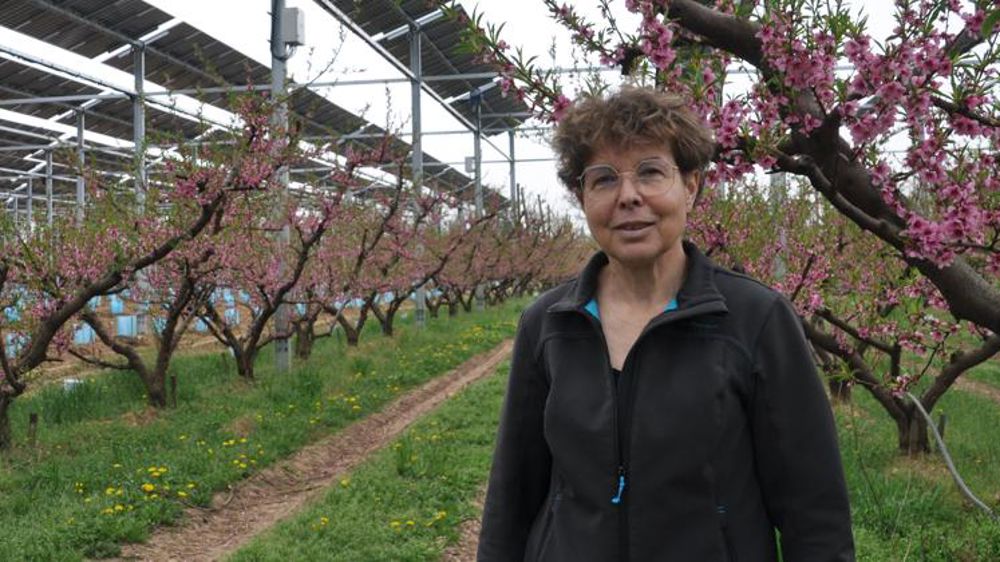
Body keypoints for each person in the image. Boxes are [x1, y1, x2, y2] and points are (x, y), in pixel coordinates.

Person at [476, 86, 855, 562]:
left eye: (651, 172)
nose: (629, 197)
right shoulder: (549, 324)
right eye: (604, 179)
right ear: (582, 196)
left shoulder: (754, 320)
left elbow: (814, 512)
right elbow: (512, 494)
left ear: (691, 185)